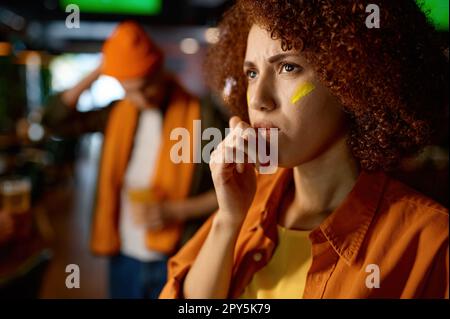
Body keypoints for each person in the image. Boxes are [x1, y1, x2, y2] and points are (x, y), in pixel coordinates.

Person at [159, 0, 449, 299]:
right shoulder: (249, 200)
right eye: (251, 73)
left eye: (288, 67)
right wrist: (229, 221)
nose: (258, 99)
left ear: (353, 82)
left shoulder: (430, 240)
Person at [42, 21, 226, 298]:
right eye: (128, 90)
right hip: (124, 255)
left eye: (145, 87)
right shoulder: (117, 113)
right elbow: (55, 120)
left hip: (179, 254)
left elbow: (231, 191)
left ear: (159, 70)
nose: (139, 99)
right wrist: (101, 69)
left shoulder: (204, 118)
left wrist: (175, 211)